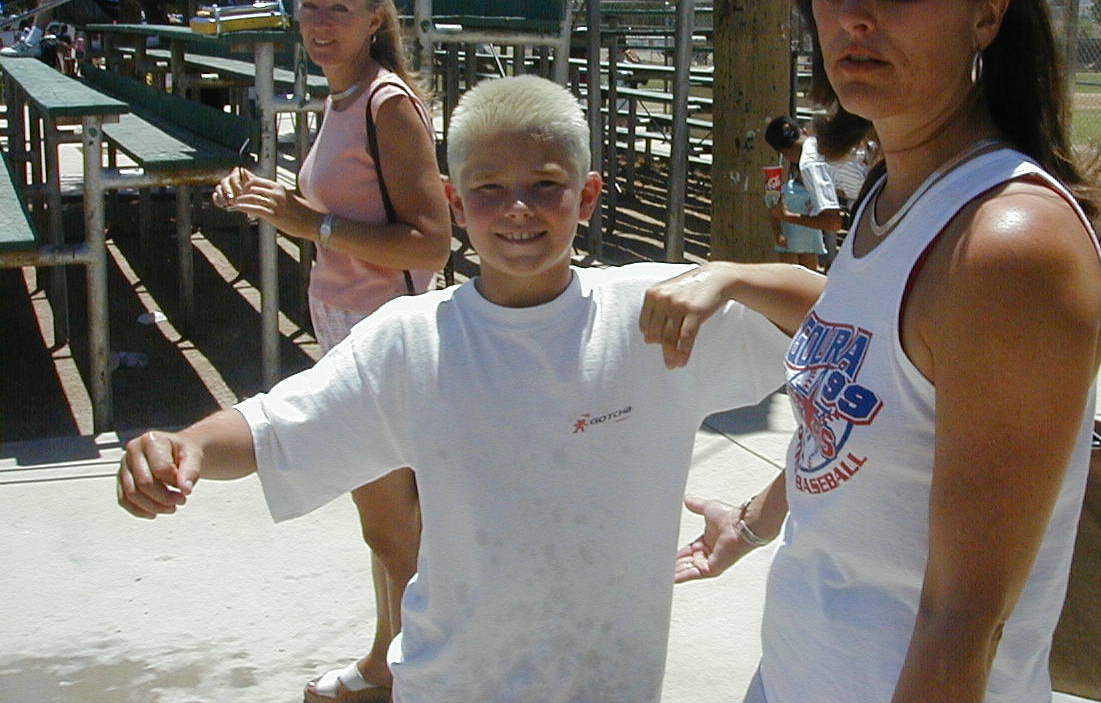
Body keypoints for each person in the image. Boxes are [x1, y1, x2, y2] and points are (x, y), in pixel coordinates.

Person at [118, 74, 792, 703]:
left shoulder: (658, 314)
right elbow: (273, 429)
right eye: (489, 189)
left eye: (546, 185)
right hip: (454, 683)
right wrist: (187, 445)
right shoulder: (410, 341)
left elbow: (836, 320)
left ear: (587, 197)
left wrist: (731, 275)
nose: (518, 209)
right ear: (455, 203)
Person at [640, 0, 1101, 703]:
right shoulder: (894, 196)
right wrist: (754, 520)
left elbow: (963, 623)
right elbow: (865, 354)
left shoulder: (1007, 248)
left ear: (987, 13)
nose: (852, 11)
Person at [207, 0, 452, 703]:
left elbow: (432, 241)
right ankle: (391, 661)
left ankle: (404, 674)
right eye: (309, 5)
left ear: (374, 17)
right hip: (347, 328)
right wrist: (268, 199)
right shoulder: (341, 97)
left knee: (392, 529)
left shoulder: (386, 104)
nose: (319, 22)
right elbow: (336, 211)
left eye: (338, 8)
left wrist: (309, 223)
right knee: (390, 524)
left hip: (385, 338)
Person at [762, 114, 843, 271]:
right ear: (803, 131)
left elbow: (833, 222)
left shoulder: (810, 164)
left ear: (784, 153)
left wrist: (787, 216)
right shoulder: (819, 144)